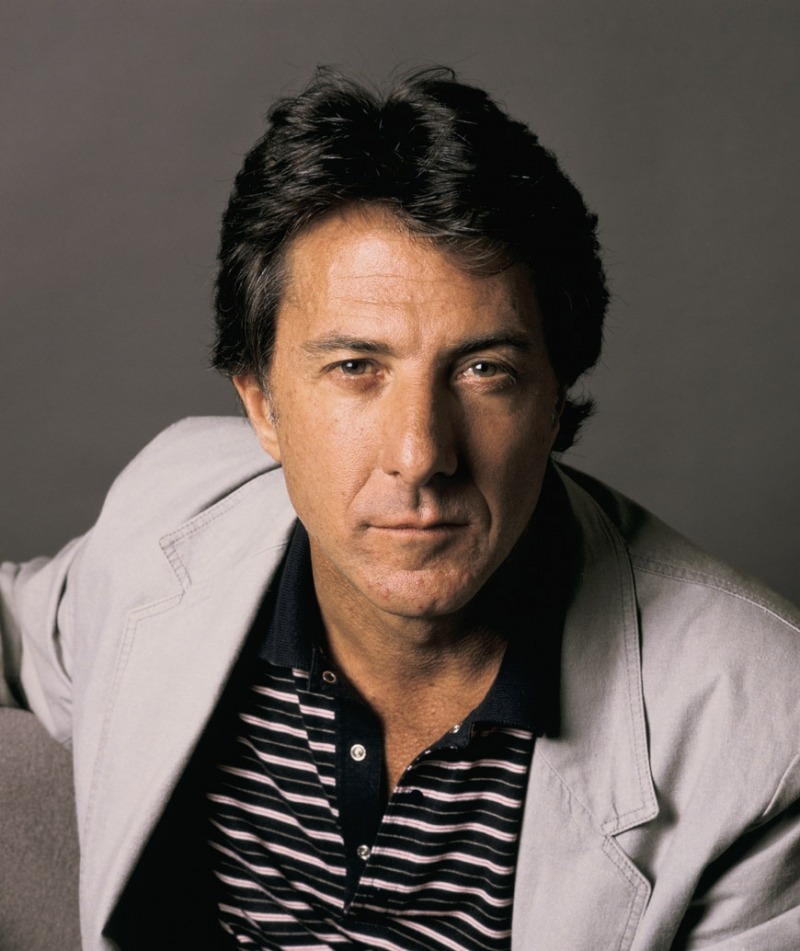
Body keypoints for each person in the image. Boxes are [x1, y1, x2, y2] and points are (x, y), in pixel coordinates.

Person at [2, 67, 799, 951]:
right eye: (356, 368)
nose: (421, 454)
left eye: (483, 369)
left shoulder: (763, 725)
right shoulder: (173, 516)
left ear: (553, 399)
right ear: (262, 403)